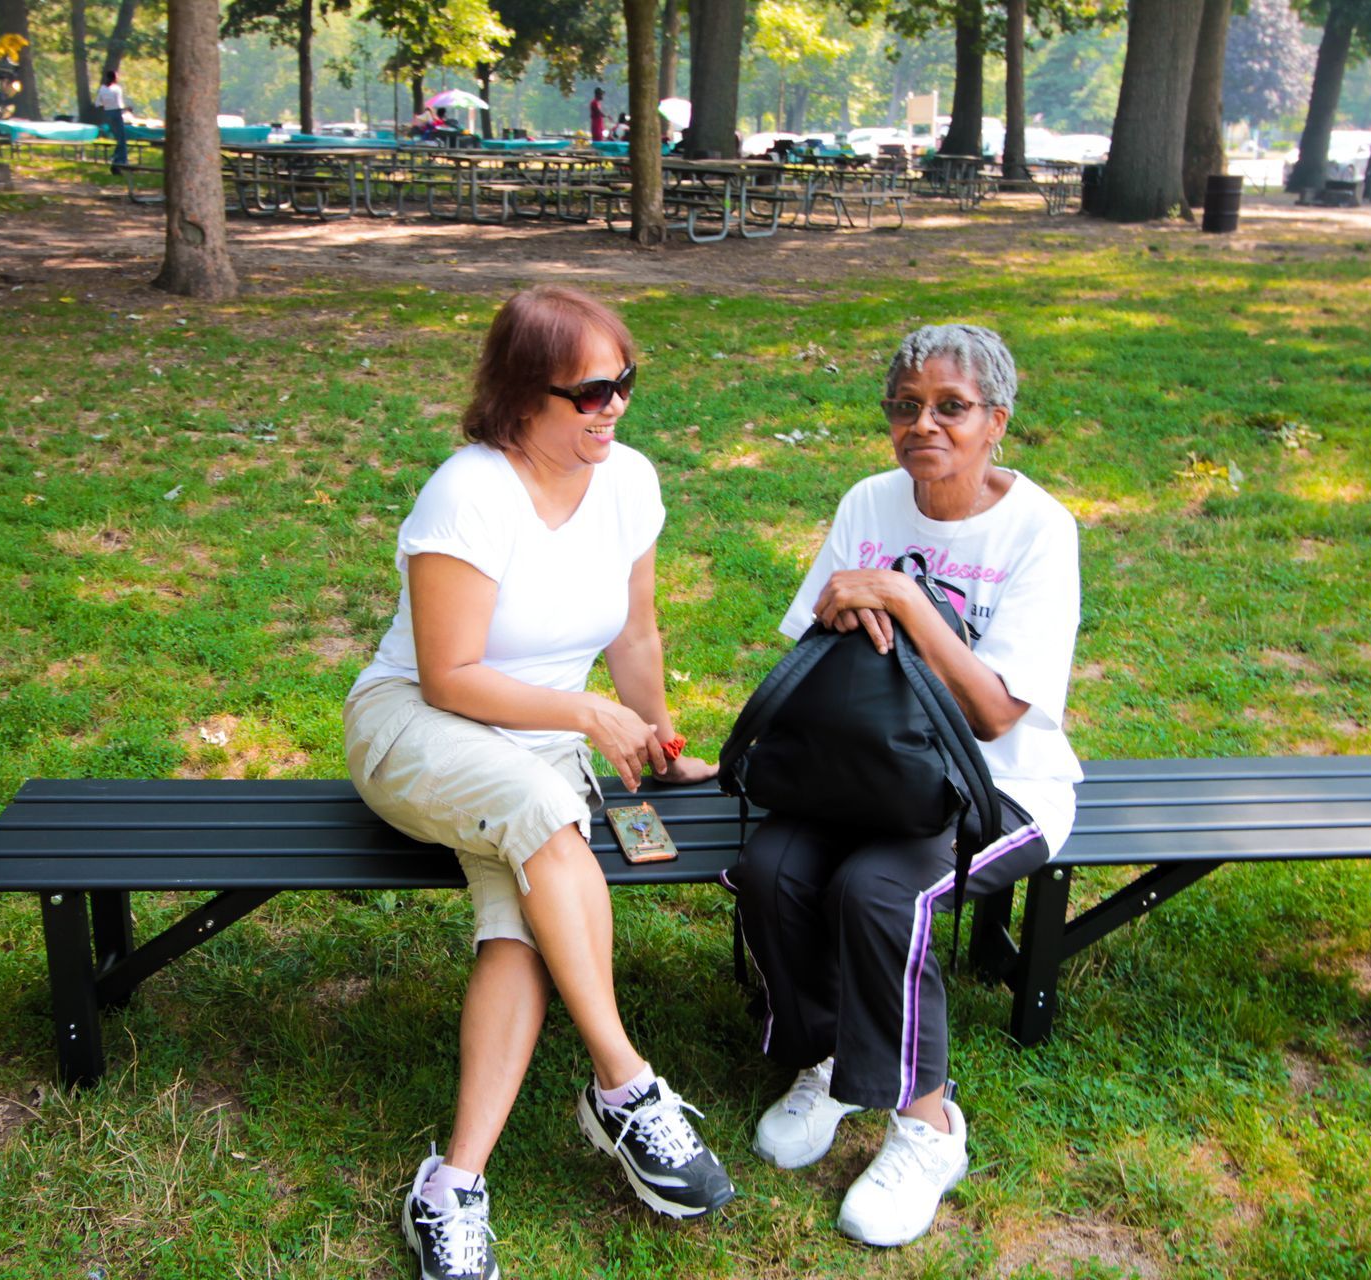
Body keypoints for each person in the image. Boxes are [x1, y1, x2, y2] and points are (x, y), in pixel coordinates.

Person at [344, 286, 735, 1280]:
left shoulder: (629, 481)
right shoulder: (470, 491)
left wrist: (649, 732)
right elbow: (449, 673)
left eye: (624, 382)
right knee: (546, 811)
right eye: (589, 391)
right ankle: (626, 1081)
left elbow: (636, 631)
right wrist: (588, 715)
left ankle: (454, 1180)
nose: (614, 406)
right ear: (524, 395)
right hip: (418, 729)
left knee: (520, 920)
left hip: (535, 748)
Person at [732, 323, 1080, 1248]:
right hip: (868, 770)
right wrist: (853, 600)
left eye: (951, 407)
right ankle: (833, 1062)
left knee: (883, 890)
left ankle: (928, 1126)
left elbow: (999, 714)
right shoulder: (870, 501)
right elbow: (818, 640)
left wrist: (906, 600)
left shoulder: (1039, 529)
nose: (924, 424)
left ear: (995, 421)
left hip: (1001, 785)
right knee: (771, 866)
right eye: (906, 406)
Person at [95, 70, 129, 170]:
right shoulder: (117, 89)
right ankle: (120, 159)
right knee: (122, 138)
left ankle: (119, 157)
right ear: (115, 78)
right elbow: (119, 104)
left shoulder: (102, 88)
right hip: (116, 113)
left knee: (118, 137)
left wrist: (107, 104)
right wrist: (126, 109)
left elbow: (98, 103)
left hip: (107, 113)